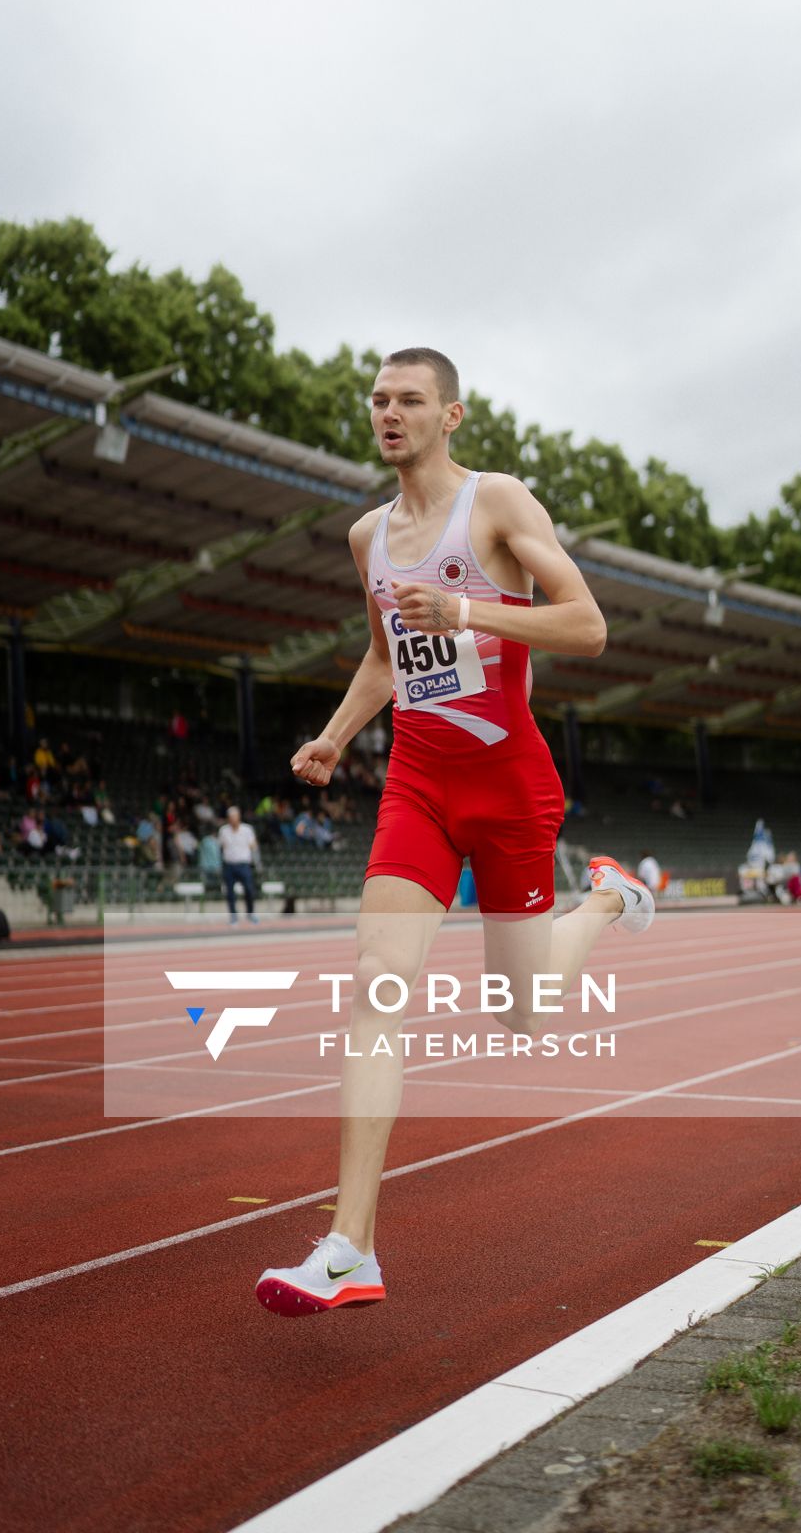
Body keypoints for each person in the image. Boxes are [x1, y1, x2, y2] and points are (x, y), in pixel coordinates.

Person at [255, 347, 656, 1318]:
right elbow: (385, 655)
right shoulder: (367, 538)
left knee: (520, 1014)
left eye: (409, 402)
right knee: (372, 988)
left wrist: (470, 606)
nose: (388, 414)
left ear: (451, 417)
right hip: (419, 783)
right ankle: (350, 1245)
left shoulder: (498, 504)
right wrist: (333, 737)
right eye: (377, 400)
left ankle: (604, 894)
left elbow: (587, 626)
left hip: (509, 785)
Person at [218, 805, 261, 922]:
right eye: (231, 817)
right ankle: (233, 915)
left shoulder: (247, 829)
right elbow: (221, 846)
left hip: (243, 865)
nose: (233, 819)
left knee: (249, 889)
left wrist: (257, 862)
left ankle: (250, 913)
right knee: (230, 892)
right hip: (229, 865)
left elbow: (254, 846)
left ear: (239, 817)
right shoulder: (223, 831)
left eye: (235, 816)